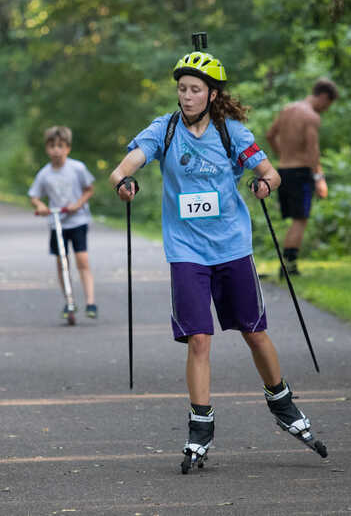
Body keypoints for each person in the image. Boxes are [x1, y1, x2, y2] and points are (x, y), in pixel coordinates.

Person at [109, 43, 324, 469]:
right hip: (186, 251)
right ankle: (200, 428)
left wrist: (264, 185)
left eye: (195, 90)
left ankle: (281, 402)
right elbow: (123, 167)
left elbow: (271, 173)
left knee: (252, 331)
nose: (187, 96)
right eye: (182, 89)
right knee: (199, 338)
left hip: (231, 247)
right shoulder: (164, 131)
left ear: (212, 94)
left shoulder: (233, 133)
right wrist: (123, 182)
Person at [266, 79, 338, 277]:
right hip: (301, 172)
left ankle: (288, 264)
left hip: (284, 170)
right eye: (328, 104)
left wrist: (282, 155)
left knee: (295, 219)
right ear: (323, 97)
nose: (326, 109)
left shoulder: (287, 110)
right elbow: (312, 149)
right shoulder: (311, 116)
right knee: (300, 219)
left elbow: (270, 135)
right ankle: (289, 266)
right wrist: (319, 178)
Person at [28, 126, 98, 320]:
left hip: (77, 221)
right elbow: (34, 195)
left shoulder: (77, 168)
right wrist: (41, 205)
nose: (56, 150)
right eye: (52, 146)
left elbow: (89, 189)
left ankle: (90, 302)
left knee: (82, 260)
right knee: (62, 263)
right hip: (57, 223)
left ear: (67, 148)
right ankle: (69, 302)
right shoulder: (45, 174)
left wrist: (78, 205)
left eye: (60, 146)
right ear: (47, 149)